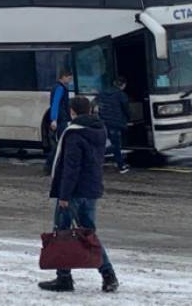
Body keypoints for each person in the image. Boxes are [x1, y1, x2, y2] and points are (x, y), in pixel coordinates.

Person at [39, 96, 119, 294]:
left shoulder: (74, 134)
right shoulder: (99, 129)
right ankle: (108, 276)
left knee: (62, 232)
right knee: (89, 234)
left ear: (73, 112)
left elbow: (71, 167)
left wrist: (64, 195)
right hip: (91, 189)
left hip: (73, 192)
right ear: (90, 110)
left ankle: (64, 278)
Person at [97, 77, 131, 174]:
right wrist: (128, 119)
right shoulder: (121, 95)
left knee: (112, 142)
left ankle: (120, 163)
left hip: (104, 121)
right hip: (116, 122)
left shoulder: (102, 93)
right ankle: (121, 166)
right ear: (123, 85)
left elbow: (96, 104)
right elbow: (126, 109)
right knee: (115, 145)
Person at [46, 70, 74, 172]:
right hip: (61, 119)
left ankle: (52, 165)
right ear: (64, 77)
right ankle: (50, 166)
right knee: (60, 143)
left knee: (59, 143)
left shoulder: (57, 87)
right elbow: (56, 104)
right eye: (69, 78)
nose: (70, 81)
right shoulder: (60, 88)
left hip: (60, 118)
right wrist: (54, 120)